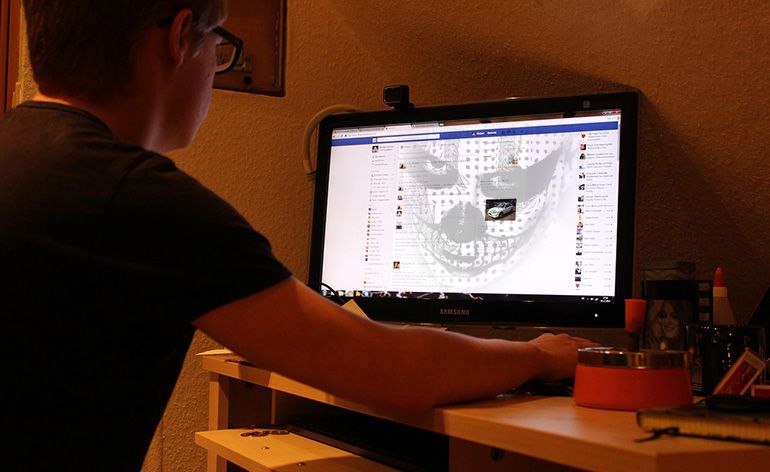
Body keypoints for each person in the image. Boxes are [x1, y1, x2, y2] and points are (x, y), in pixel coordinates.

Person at [0, 1, 597, 469]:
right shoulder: (141, 202)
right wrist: (537, 355)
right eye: (220, 48)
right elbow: (393, 372)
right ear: (180, 38)